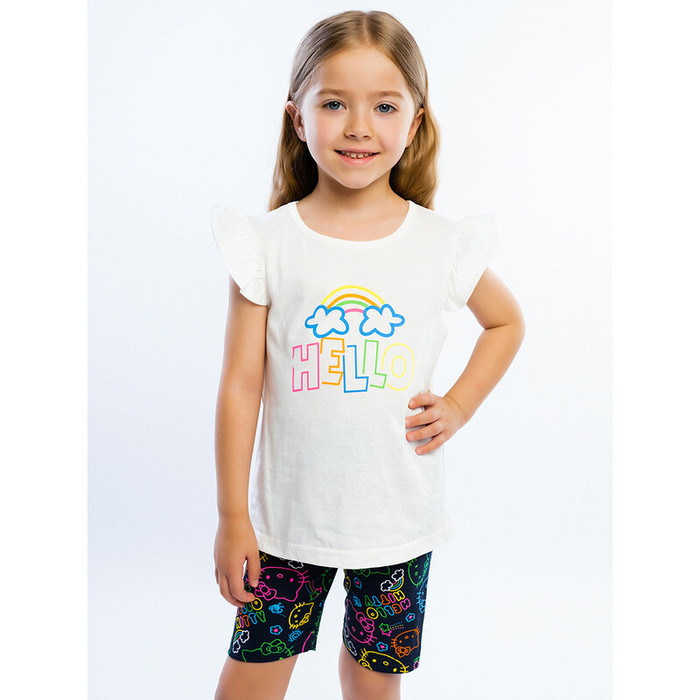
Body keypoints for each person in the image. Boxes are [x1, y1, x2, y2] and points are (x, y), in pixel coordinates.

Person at [209, 10, 525, 700]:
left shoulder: (440, 244)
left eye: (384, 106)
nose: (358, 126)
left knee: (375, 684)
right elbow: (240, 386)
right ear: (297, 119)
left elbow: (505, 323)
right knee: (252, 678)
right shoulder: (266, 246)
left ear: (414, 123)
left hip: (396, 523)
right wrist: (233, 516)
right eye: (333, 104)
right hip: (284, 526)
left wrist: (459, 405)